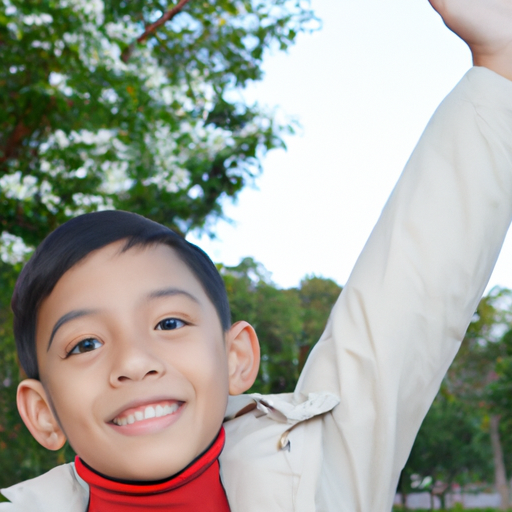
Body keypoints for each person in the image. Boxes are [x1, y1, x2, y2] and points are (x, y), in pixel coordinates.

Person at [3, 0, 512, 510]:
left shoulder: (320, 476)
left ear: (235, 357)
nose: (134, 362)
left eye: (170, 323)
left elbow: (408, 297)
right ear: (43, 411)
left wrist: (501, 66)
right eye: (85, 343)